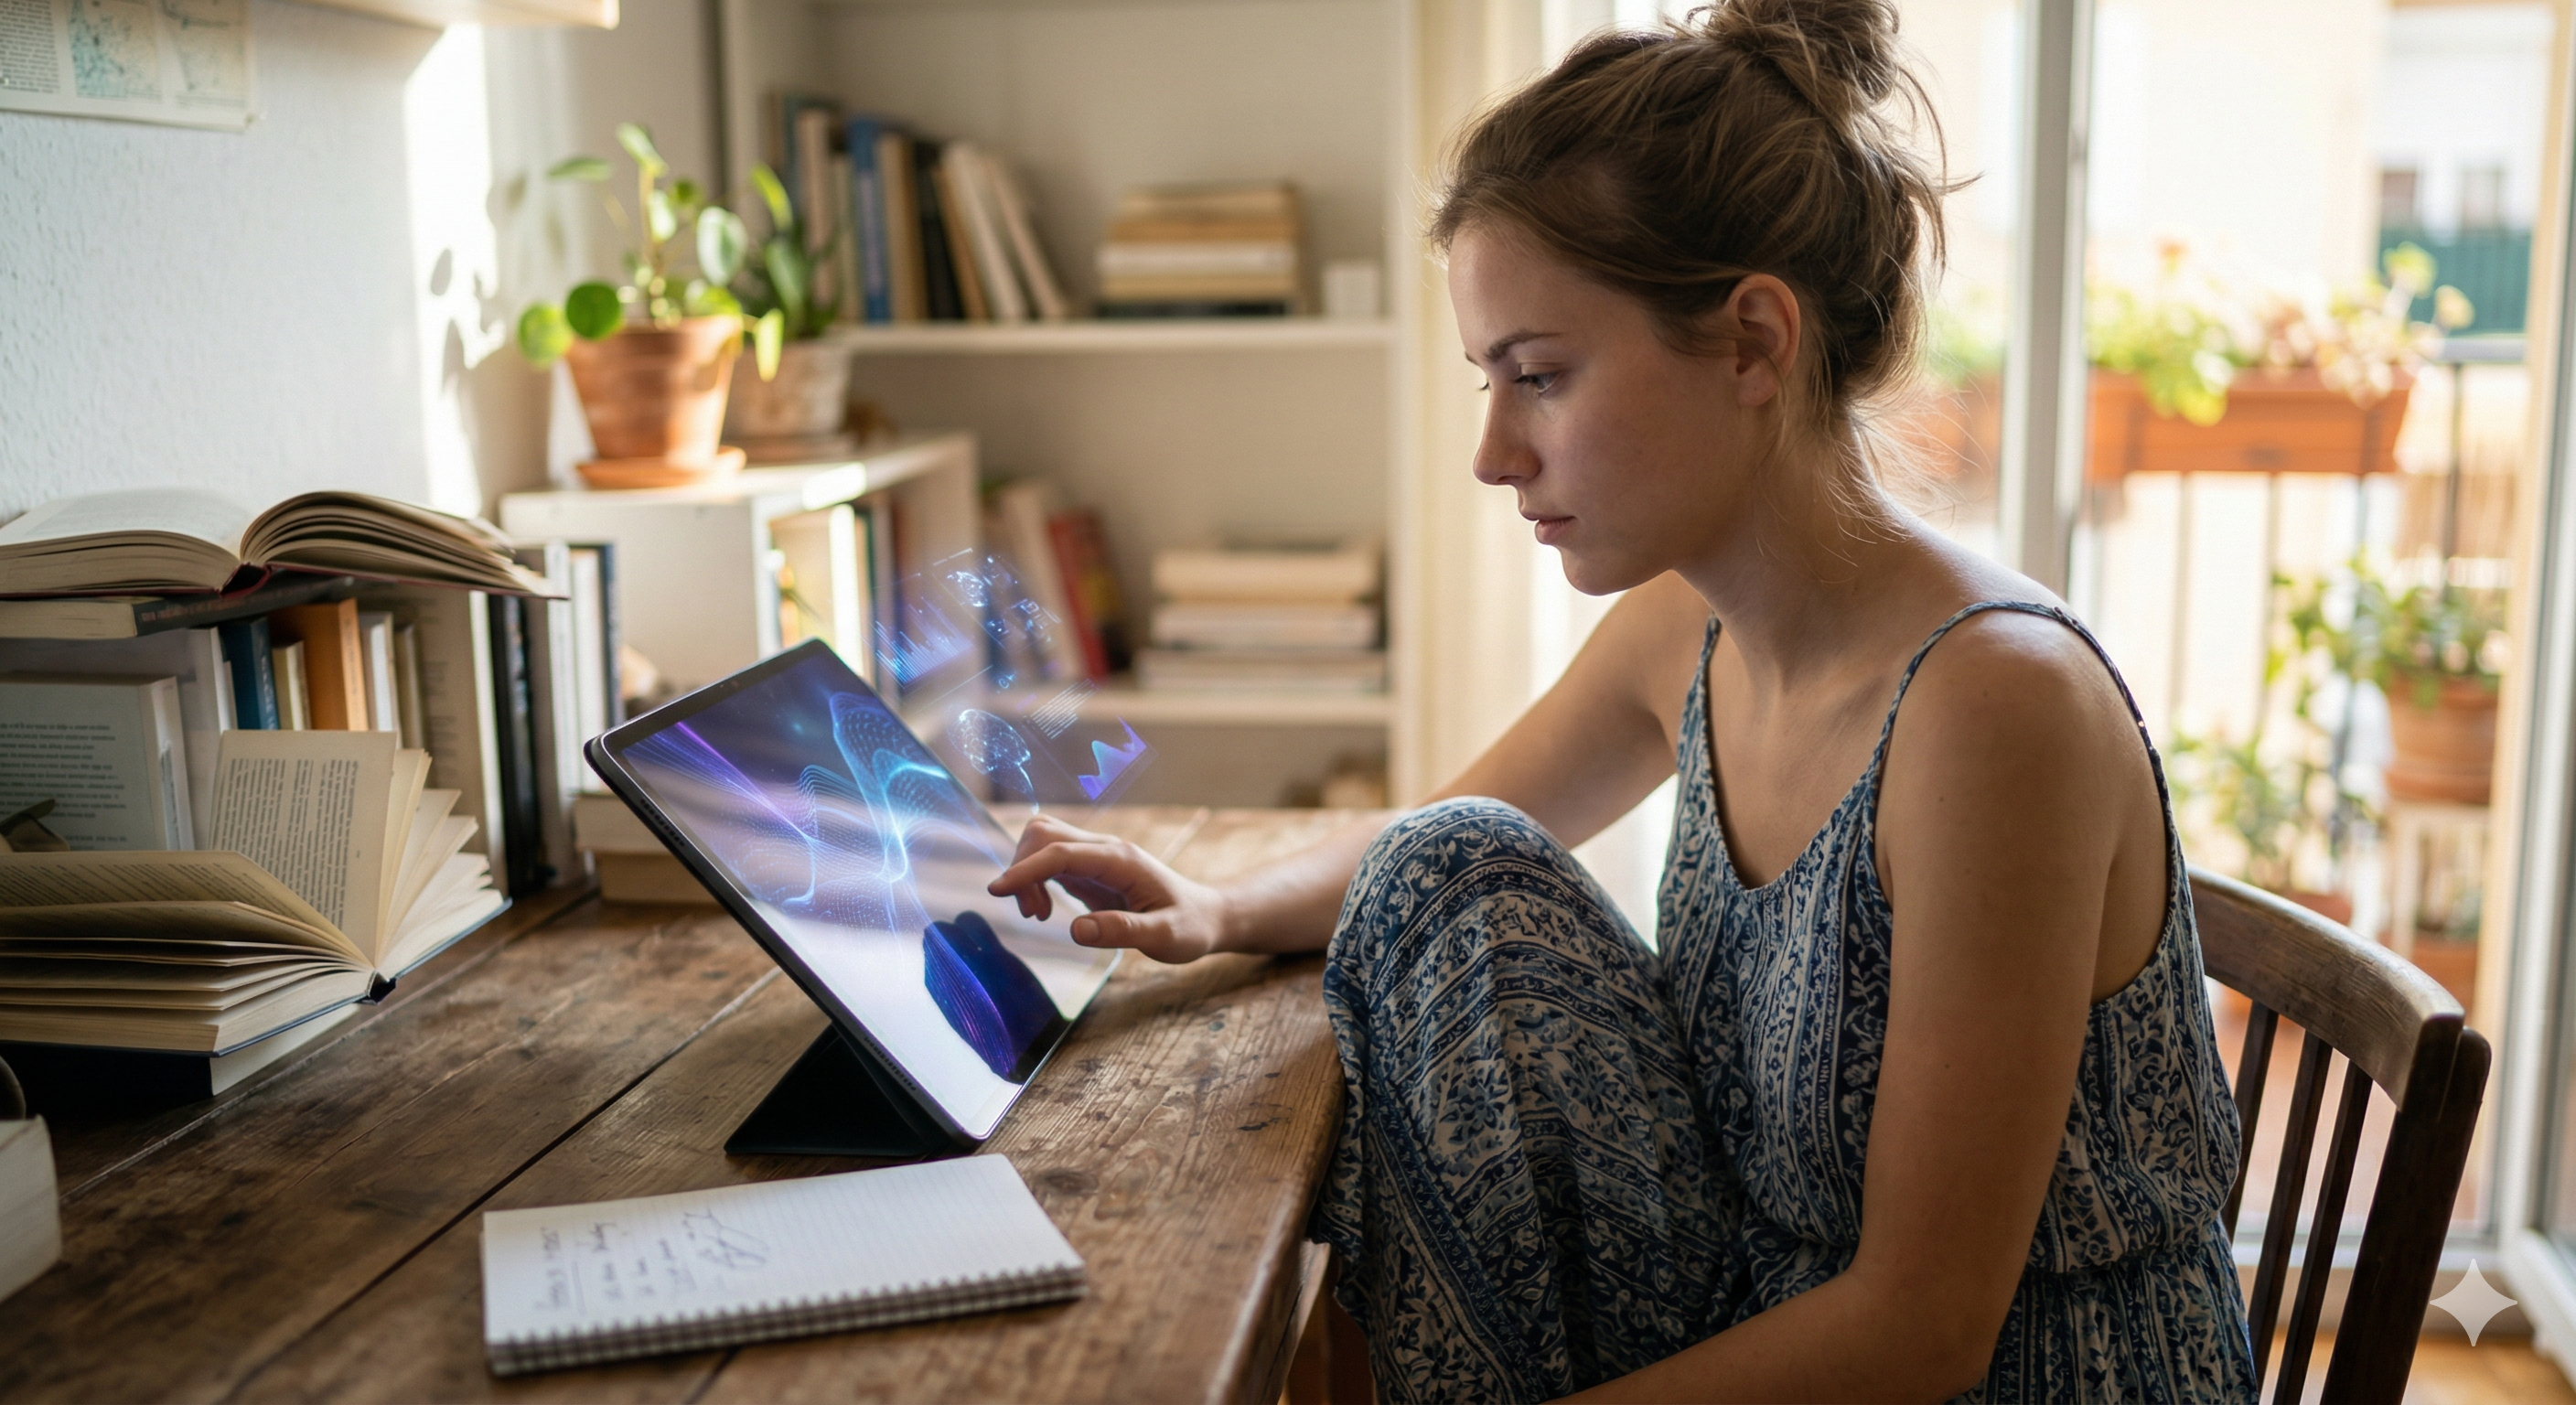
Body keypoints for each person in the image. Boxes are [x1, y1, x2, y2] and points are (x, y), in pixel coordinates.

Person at [988, 1, 2255, 1398]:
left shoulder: (1996, 714)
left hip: (2009, 1377)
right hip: (1765, 1320)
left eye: (1538, 376)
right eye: (1491, 381)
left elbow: (1923, 1326)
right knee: (1442, 871)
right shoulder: (1688, 628)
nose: (1491, 453)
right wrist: (1214, 909)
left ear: (1754, 343)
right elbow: (1448, 827)